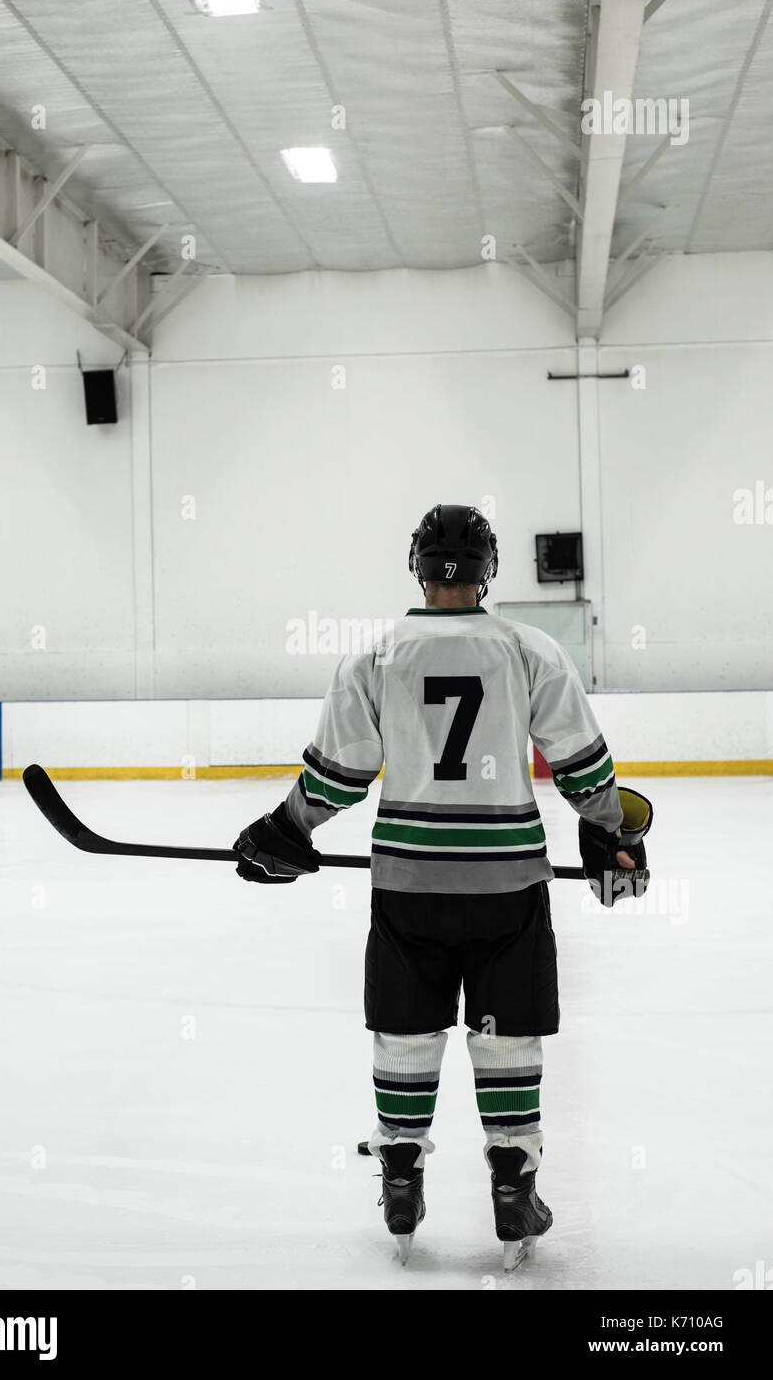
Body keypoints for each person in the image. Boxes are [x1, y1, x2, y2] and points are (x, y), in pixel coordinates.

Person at [233, 504, 652, 1270]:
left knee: (405, 1029)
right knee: (505, 1033)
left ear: (416, 568)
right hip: (507, 886)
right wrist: (614, 836)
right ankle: (512, 1184)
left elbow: (336, 778)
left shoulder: (375, 657)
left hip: (407, 884)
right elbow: (584, 771)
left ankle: (399, 1174)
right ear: (489, 569)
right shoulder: (530, 650)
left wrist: (284, 828)